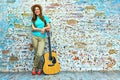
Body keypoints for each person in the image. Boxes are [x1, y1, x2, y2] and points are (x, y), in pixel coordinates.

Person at [31, 4, 51, 75]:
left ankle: (34, 67)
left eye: (37, 9)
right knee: (36, 53)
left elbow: (49, 26)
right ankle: (40, 68)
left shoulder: (45, 18)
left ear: (40, 10)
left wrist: (44, 28)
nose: (36, 10)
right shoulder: (33, 19)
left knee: (39, 54)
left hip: (42, 38)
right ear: (34, 11)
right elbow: (33, 29)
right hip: (34, 37)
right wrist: (41, 29)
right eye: (35, 10)